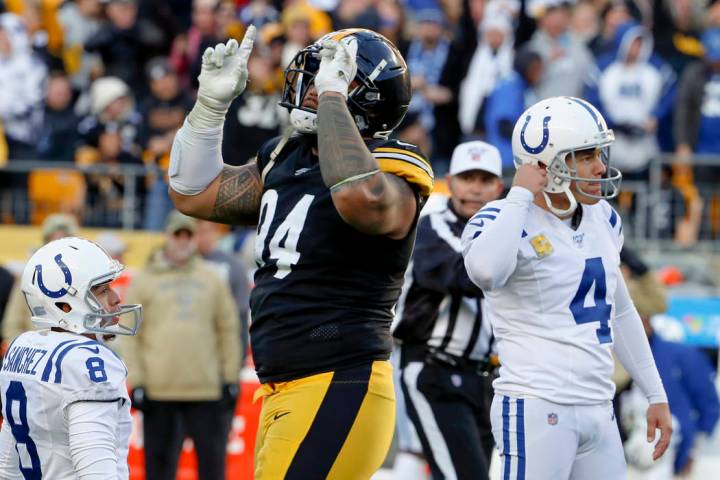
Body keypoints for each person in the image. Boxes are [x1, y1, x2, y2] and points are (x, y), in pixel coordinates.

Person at [168, 26, 433, 479]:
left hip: (339, 374)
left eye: (333, 76)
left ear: (368, 99)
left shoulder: (392, 161)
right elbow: (193, 193)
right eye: (314, 75)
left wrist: (332, 99)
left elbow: (358, 197)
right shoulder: (285, 155)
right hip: (283, 383)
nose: (313, 87)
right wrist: (211, 108)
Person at [461, 96, 673, 479]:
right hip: (537, 403)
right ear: (549, 164)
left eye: (599, 153)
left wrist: (655, 393)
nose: (600, 166)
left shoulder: (603, 218)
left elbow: (620, 310)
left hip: (598, 404)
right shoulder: (502, 217)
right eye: (586, 155)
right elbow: (486, 272)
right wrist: (521, 194)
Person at [394, 140, 503, 480]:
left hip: (482, 377)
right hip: (433, 369)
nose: (475, 188)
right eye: (467, 178)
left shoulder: (504, 235)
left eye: (485, 180)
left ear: (499, 187)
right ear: (451, 181)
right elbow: (469, 275)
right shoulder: (430, 226)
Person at [0, 237, 142, 478]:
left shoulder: (21, 346)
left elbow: (7, 465)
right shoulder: (88, 362)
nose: (116, 298)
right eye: (102, 290)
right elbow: (97, 472)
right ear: (65, 305)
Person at [120, 210, 240, 480]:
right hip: (158, 391)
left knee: (212, 468)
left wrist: (230, 376)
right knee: (159, 470)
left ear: (196, 239)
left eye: (189, 235)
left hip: (206, 390)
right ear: (167, 238)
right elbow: (131, 333)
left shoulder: (211, 279)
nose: (183, 241)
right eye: (178, 234)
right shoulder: (145, 280)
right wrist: (137, 381)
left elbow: (228, 329)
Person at [618, 247, 719, 479]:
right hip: (621, 453)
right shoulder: (610, 358)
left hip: (668, 455)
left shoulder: (678, 354)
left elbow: (708, 403)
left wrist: (694, 448)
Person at [2, 214, 80, 350]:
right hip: (35, 354)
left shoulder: (83, 278)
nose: (59, 248)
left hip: (72, 355)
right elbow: (12, 324)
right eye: (54, 242)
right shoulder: (29, 277)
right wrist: (26, 351)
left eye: (64, 242)